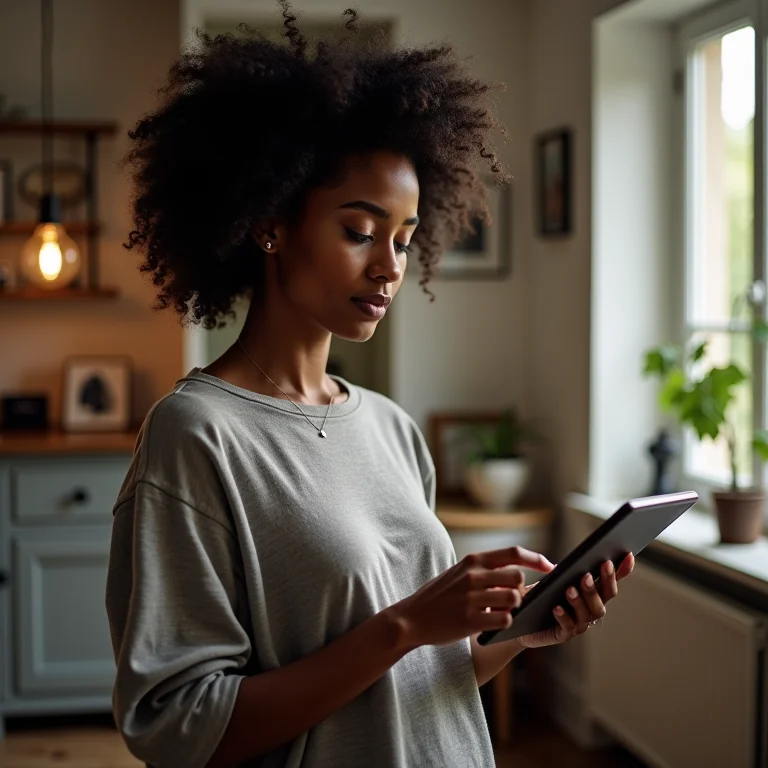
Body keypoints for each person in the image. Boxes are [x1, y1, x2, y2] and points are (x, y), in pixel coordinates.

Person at [105, 4, 635, 767]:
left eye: (405, 239)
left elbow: (424, 678)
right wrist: (406, 624)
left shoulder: (390, 428)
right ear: (270, 224)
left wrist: (519, 638)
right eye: (359, 231)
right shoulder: (195, 436)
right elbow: (179, 726)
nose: (390, 266)